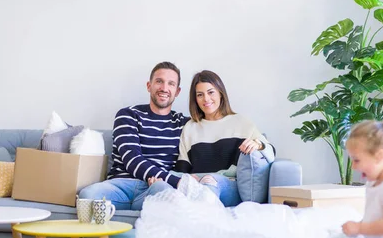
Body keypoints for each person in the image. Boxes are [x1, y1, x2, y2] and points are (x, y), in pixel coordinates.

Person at [78, 61, 190, 210]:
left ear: (177, 91)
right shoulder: (128, 115)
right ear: (149, 86)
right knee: (88, 195)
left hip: (156, 186)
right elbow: (132, 159)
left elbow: (212, 124)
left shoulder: (183, 123)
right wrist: (176, 181)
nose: (164, 88)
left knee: (168, 195)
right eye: (159, 81)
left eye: (171, 84)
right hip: (120, 187)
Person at [165, 69, 274, 206]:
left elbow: (270, 150)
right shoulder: (190, 128)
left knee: (210, 180)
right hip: (198, 186)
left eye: (211, 92)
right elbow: (182, 169)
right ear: (195, 100)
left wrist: (258, 144)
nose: (206, 99)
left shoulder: (241, 122)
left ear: (221, 94)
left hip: (229, 186)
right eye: (200, 95)